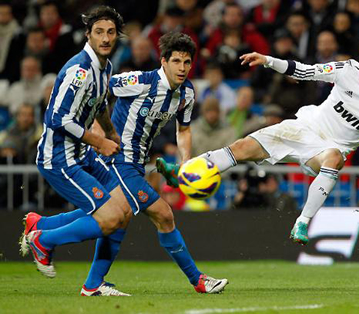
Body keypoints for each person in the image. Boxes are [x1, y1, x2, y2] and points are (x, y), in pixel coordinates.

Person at [158, 32, 359, 246]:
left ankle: (302, 223)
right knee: (241, 147)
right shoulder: (348, 71)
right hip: (304, 127)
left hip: (330, 148)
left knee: (334, 157)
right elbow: (305, 71)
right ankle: (184, 174)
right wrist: (268, 60)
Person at [26, 32, 228, 295]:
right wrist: (98, 130)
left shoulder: (187, 93)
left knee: (117, 217)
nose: (182, 67)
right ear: (164, 61)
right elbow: (98, 92)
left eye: (187, 62)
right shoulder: (139, 81)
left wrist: (185, 163)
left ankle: (49, 235)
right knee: (163, 214)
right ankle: (198, 280)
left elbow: (184, 130)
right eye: (176, 61)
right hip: (118, 158)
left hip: (137, 163)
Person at [20, 6, 133, 295]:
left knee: (125, 207)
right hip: (59, 158)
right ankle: (44, 240)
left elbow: (97, 105)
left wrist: (109, 131)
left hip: (81, 154)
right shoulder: (80, 71)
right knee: (109, 218)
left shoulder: (104, 67)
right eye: (99, 32)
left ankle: (93, 283)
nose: (105, 38)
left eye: (110, 32)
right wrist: (99, 142)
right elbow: (57, 119)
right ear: (88, 35)